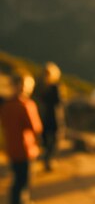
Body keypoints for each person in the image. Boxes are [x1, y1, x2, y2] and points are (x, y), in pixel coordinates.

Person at [0, 69, 43, 204]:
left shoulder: (6, 105)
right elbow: (36, 127)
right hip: (26, 149)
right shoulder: (26, 105)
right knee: (23, 181)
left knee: (16, 180)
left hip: (11, 148)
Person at [35, 61, 65, 171]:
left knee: (48, 140)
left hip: (44, 117)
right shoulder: (55, 87)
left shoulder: (40, 87)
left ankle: (47, 160)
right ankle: (48, 160)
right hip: (53, 117)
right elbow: (59, 102)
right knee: (54, 140)